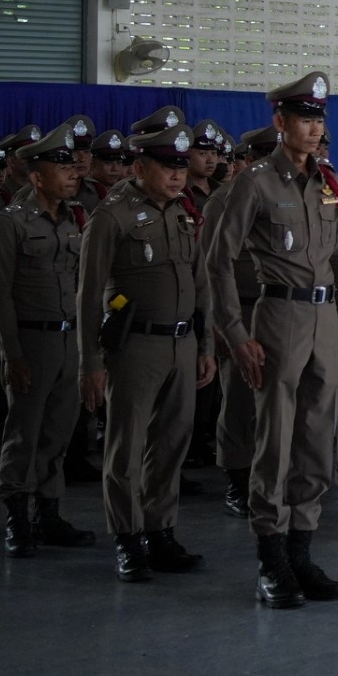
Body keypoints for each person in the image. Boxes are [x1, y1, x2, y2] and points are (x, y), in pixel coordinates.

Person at [200, 72, 338, 610]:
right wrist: (235, 333)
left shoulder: (328, 181)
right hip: (279, 315)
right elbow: (218, 262)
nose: (314, 129)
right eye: (304, 119)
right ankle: (271, 558)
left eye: (319, 119)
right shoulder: (256, 182)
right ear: (280, 122)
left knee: (316, 438)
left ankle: (302, 552)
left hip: (325, 319)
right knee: (276, 440)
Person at [79, 123, 212, 582]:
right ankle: (128, 538)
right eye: (167, 166)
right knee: (127, 448)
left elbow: (200, 282)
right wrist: (90, 362)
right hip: (135, 346)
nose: (177, 175)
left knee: (171, 445)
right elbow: (89, 294)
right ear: (139, 167)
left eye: (181, 166)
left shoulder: (184, 213)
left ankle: (160, 531)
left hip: (182, 343)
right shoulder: (111, 216)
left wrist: (205, 344)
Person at [0, 125, 96, 557]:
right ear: (36, 177)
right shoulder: (10, 222)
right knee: (23, 433)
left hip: (70, 340)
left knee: (57, 433)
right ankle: (16, 516)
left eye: (73, 168)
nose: (73, 175)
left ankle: (47, 514)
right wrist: (11, 353)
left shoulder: (75, 219)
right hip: (31, 341)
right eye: (62, 168)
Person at [214, 125, 277, 520]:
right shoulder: (223, 202)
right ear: (247, 161)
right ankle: (237, 478)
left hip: (279, 311)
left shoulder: (291, 196)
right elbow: (209, 269)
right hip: (240, 311)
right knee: (239, 399)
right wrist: (221, 323)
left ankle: (270, 475)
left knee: (274, 401)